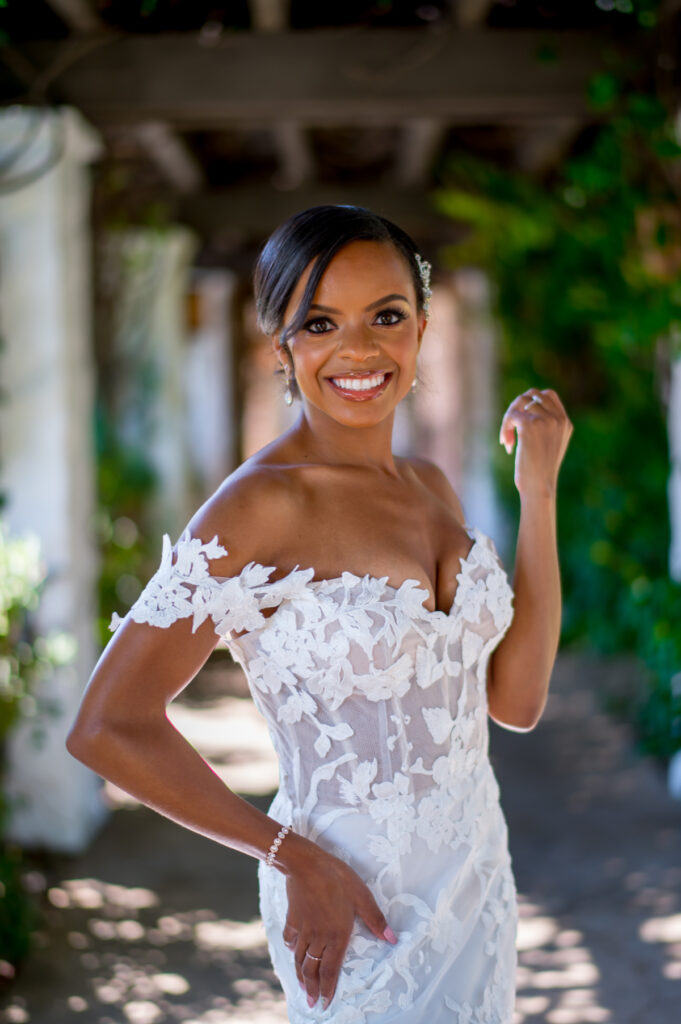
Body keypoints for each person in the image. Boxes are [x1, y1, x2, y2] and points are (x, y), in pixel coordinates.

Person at [67, 204, 573, 1023]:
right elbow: (105, 726)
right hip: (347, 896)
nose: (360, 349)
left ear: (419, 325)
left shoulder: (429, 487)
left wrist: (538, 493)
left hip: (476, 874)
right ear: (281, 345)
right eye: (320, 323)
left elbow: (514, 703)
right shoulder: (259, 508)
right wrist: (290, 858)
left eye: (386, 316)